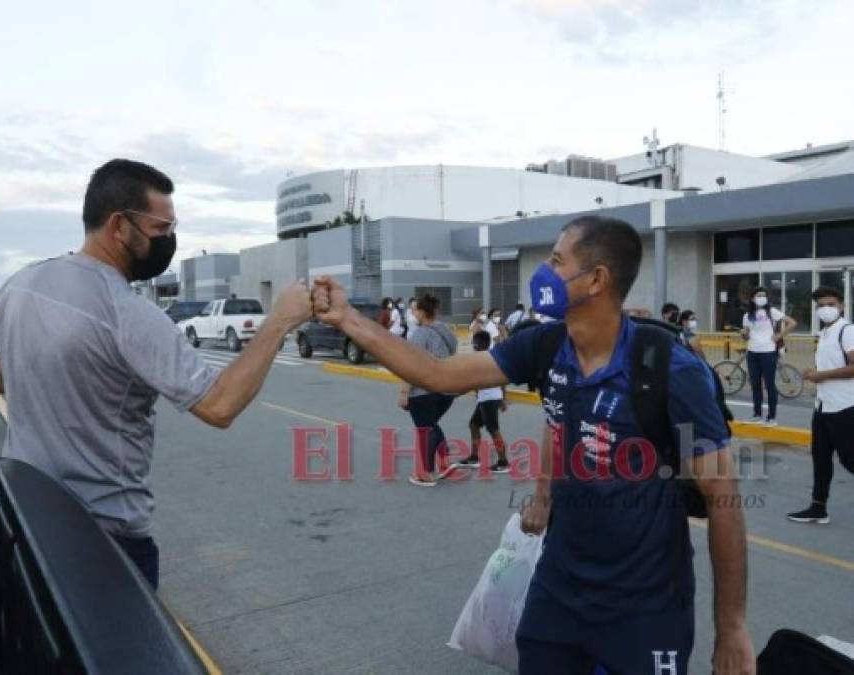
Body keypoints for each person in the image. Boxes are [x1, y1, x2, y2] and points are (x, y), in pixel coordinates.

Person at [311, 215, 754, 675]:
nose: (544, 271)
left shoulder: (671, 370)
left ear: (597, 279)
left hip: (645, 609)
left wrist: (732, 628)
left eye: (557, 260)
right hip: (558, 594)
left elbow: (725, 501)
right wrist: (347, 319)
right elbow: (438, 375)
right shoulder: (545, 345)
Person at [0, 159, 313, 589]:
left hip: (27, 516)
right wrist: (280, 320)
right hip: (104, 538)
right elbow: (219, 405)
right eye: (162, 229)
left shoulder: (19, 284)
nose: (170, 240)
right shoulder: (130, 313)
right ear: (119, 226)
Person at [788, 286, 854, 524]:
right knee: (821, 458)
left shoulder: (847, 330)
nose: (825, 309)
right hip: (823, 407)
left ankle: (818, 508)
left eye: (831, 304)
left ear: (842, 306)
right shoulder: (825, 333)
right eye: (821, 305)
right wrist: (815, 374)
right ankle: (818, 508)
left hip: (845, 407)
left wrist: (821, 375)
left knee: (849, 459)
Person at [397, 293, 459, 487]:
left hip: (423, 392)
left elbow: (411, 366)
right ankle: (445, 462)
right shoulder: (446, 330)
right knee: (432, 425)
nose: (413, 312)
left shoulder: (420, 333)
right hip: (446, 391)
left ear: (422, 312)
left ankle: (426, 473)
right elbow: (453, 352)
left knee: (425, 430)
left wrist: (404, 392)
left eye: (415, 309)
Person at [740, 287, 797, 427]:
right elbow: (746, 336)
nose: (762, 297)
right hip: (752, 352)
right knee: (755, 384)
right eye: (759, 295)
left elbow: (792, 323)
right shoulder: (747, 315)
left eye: (764, 295)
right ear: (753, 298)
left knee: (770, 384)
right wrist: (743, 333)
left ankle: (772, 417)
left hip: (768, 352)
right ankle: (757, 414)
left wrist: (778, 336)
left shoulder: (772, 312)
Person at [457, 330, 509, 473]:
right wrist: (502, 398)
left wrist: (456, 392)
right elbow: (503, 377)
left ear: (478, 343)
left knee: (493, 430)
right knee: (474, 425)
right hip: (489, 397)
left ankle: (503, 461)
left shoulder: (479, 359)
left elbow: (473, 382)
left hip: (488, 398)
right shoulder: (494, 356)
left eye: (474, 342)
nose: (473, 345)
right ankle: (474, 457)